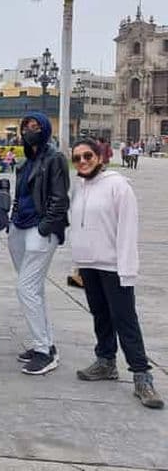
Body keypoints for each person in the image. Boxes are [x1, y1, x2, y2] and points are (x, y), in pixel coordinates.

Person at [70, 138, 163, 409]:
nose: (83, 162)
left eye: (88, 156)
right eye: (77, 158)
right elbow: (78, 226)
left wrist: (127, 269)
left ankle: (142, 376)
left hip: (114, 265)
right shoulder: (80, 186)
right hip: (89, 264)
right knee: (100, 315)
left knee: (125, 319)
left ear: (100, 157)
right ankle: (106, 361)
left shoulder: (118, 186)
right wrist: (77, 263)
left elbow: (127, 230)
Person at [8, 113, 69, 375]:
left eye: (35, 127)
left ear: (44, 130)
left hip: (40, 229)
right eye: (25, 127)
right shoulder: (25, 162)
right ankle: (45, 343)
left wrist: (46, 227)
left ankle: (44, 351)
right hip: (20, 227)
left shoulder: (54, 159)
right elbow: (19, 195)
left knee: (26, 288)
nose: (29, 131)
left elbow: (59, 198)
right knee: (34, 288)